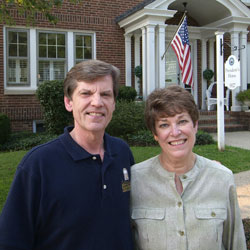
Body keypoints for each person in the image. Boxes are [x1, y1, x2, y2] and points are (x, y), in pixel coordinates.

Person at [0, 60, 134, 250]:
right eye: (86, 93)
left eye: (105, 94)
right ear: (68, 102)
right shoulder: (38, 164)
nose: (97, 102)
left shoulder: (122, 153)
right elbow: (10, 240)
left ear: (113, 103)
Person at [131, 85, 246, 250]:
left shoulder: (222, 179)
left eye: (182, 121)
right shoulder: (136, 180)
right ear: (155, 134)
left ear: (195, 125)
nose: (175, 132)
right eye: (164, 125)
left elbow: (236, 244)